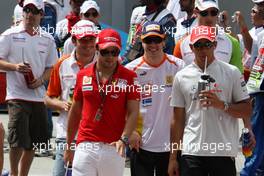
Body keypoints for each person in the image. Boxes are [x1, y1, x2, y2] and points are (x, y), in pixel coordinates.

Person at [168, 25, 253, 176]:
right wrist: (173, 157)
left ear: (215, 45)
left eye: (207, 44)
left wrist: (222, 105)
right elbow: (177, 120)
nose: (203, 50)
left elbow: (247, 109)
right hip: (192, 152)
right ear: (191, 47)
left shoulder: (231, 72)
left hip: (222, 152)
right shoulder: (181, 77)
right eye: (198, 45)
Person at [64, 28, 140, 176]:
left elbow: (133, 112)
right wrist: (69, 146)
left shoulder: (129, 77)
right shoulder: (83, 75)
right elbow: (75, 112)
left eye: (115, 52)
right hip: (85, 145)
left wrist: (124, 140)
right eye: (105, 52)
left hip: (114, 146)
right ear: (97, 49)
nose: (110, 57)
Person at [0, 0, 58, 175]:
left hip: (38, 96)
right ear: (23, 12)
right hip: (16, 96)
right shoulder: (9, 35)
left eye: (35, 11)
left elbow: (52, 67)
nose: (30, 14)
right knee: (17, 140)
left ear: (41, 15)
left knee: (34, 141)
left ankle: (23, 174)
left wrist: (41, 80)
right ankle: (15, 173)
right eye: (27, 10)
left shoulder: (47, 39)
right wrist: (15, 67)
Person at [126, 21, 185, 176]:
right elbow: (120, 105)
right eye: (148, 40)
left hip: (170, 146)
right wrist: (129, 132)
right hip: (140, 144)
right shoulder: (130, 70)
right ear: (141, 41)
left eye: (157, 40)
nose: (153, 45)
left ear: (164, 41)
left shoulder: (179, 66)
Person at [45, 20, 98, 176]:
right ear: (74, 41)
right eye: (83, 40)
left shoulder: (106, 62)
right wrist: (61, 104)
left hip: (94, 136)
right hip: (66, 134)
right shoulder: (62, 64)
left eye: (91, 39)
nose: (88, 44)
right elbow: (47, 99)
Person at [173, 0, 244, 73]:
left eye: (213, 12)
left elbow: (238, 78)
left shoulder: (232, 43)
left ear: (218, 14)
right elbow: (175, 78)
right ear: (196, 12)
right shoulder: (182, 44)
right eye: (204, 13)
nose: (209, 17)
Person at [122, 0, 176, 64]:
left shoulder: (167, 20)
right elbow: (133, 43)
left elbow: (168, 52)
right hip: (135, 64)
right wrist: (124, 63)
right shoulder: (139, 13)